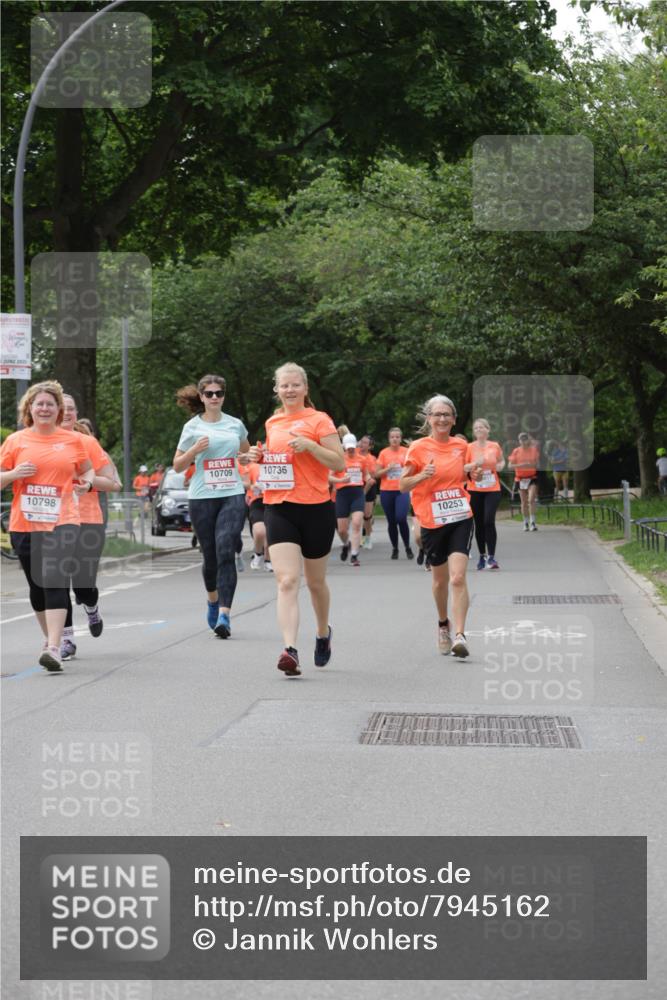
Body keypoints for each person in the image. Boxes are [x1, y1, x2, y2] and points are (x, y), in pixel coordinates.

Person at [246, 362, 344, 677]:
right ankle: (290, 650)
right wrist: (260, 458)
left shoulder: (320, 420)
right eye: (284, 386)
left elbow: (339, 463)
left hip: (316, 507)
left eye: (295, 385)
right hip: (279, 506)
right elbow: (276, 461)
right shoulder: (273, 421)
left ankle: (322, 633)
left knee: (315, 582)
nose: (289, 390)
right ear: (277, 389)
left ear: (305, 388)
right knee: (287, 580)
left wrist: (311, 445)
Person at [0, 381, 94, 671]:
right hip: (24, 523)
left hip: (63, 520)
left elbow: (88, 469)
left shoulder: (73, 440)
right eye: (38, 404)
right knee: (37, 585)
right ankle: (49, 640)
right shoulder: (15, 441)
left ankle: (54, 648)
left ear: (58, 410)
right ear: (29, 408)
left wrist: (87, 483)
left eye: (49, 404)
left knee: (54, 578)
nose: (44, 408)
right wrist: (14, 473)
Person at [400, 395, 481, 658]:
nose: (442, 419)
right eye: (437, 414)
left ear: (454, 419)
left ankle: (460, 635)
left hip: (460, 516)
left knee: (457, 577)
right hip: (431, 520)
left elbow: (466, 473)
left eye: (447, 414)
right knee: (440, 581)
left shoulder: (461, 446)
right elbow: (403, 485)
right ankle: (443, 623)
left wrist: (474, 474)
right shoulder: (418, 448)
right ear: (429, 419)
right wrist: (422, 476)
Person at [173, 374, 250, 639]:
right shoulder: (192, 427)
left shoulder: (235, 424)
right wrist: (193, 451)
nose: (214, 397)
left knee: (226, 548)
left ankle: (225, 615)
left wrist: (248, 458)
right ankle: (213, 600)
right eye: (209, 394)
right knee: (211, 556)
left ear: (224, 396)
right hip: (202, 496)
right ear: (202, 397)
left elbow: (245, 453)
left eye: (219, 393)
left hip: (232, 493)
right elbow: (178, 465)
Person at [59, 394, 121, 660]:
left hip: (87, 520)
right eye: (62, 408)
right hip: (53, 522)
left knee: (83, 587)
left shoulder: (87, 443)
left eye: (71, 409)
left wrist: (88, 482)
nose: (67, 413)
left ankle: (92, 607)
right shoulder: (39, 443)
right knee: (57, 583)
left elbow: (113, 483)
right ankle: (66, 639)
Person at [464, 419, 505, 570]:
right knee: (479, 523)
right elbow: (464, 467)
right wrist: (476, 463)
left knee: (489, 520)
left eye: (482, 427)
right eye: (476, 428)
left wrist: (500, 466)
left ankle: (492, 557)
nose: (479, 430)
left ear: (488, 430)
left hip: (492, 488)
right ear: (474, 432)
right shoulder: (469, 447)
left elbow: (501, 461)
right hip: (475, 489)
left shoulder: (494, 446)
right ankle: (482, 555)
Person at [330, 433, 372, 567]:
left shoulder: (362, 459)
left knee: (357, 523)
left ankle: (354, 555)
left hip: (357, 493)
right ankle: (346, 544)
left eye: (352, 447)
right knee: (342, 530)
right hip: (342, 494)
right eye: (348, 448)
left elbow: (366, 474)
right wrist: (341, 480)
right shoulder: (338, 459)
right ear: (343, 446)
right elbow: (328, 477)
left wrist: (369, 479)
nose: (350, 449)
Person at [376, 427, 413, 560]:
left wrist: (406, 470)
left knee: (401, 518)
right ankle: (395, 548)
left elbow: (413, 469)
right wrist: (388, 468)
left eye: (397, 437)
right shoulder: (383, 453)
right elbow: (376, 474)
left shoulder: (406, 452)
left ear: (401, 438)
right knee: (391, 521)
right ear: (389, 439)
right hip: (387, 491)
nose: (395, 439)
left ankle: (407, 546)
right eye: (392, 437)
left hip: (402, 490)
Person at [239, 460, 272, 572]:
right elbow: (246, 483)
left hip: (274, 501)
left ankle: (268, 560)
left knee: (270, 534)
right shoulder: (251, 466)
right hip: (257, 501)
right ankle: (258, 554)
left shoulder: (277, 464)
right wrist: (253, 487)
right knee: (259, 532)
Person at [508, 432, 540, 531]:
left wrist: (531, 464)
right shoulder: (516, 451)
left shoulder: (533, 450)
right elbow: (510, 466)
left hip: (532, 478)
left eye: (525, 439)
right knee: (524, 502)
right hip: (520, 479)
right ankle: (525, 523)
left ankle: (533, 522)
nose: (523, 441)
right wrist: (521, 465)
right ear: (519, 441)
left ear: (528, 440)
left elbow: (537, 464)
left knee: (531, 499)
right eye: (521, 439)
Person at [357, 434, 378, 550]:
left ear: (370, 447)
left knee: (366, 516)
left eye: (365, 443)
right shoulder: (353, 453)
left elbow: (371, 479)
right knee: (358, 515)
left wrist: (363, 493)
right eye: (361, 441)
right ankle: (361, 537)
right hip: (356, 486)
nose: (361, 444)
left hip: (368, 487)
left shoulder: (371, 459)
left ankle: (367, 538)